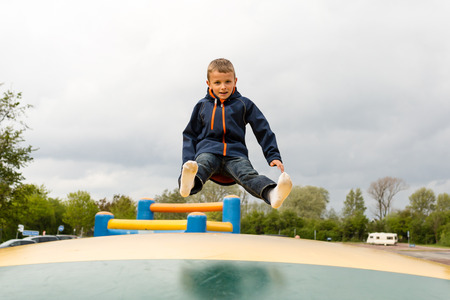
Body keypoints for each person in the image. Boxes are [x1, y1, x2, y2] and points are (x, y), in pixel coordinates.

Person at [179, 58, 292, 208]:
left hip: (235, 155)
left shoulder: (244, 104)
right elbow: (190, 135)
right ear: (209, 84)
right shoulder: (202, 106)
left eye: (228, 82)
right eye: (217, 83)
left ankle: (272, 193)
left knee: (248, 175)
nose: (223, 87)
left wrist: (273, 155)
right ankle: (188, 184)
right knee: (202, 165)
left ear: (235, 81)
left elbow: (262, 128)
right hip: (209, 150)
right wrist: (187, 161)